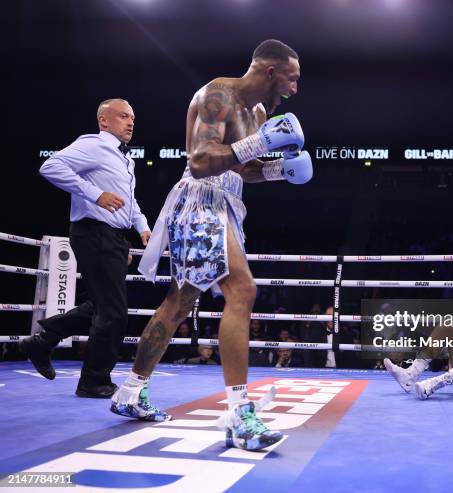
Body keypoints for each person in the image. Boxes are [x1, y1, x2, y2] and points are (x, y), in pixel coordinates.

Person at [111, 40, 311, 451]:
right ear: (271, 71)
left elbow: (245, 167)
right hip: (201, 198)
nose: (294, 89)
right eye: (291, 79)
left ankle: (130, 391)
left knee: (180, 301)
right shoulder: (219, 95)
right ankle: (240, 415)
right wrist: (259, 144)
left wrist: (278, 171)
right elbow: (201, 160)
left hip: (227, 203)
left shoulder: (257, 113)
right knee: (242, 290)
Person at [24, 100, 150, 397]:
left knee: (102, 305)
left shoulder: (125, 159)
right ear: (104, 121)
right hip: (94, 232)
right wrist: (95, 194)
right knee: (114, 312)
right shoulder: (94, 145)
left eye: (132, 118)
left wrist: (142, 226)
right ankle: (94, 380)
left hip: (115, 237)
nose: (130, 122)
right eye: (123, 117)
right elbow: (50, 166)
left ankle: (42, 341)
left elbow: (127, 201)